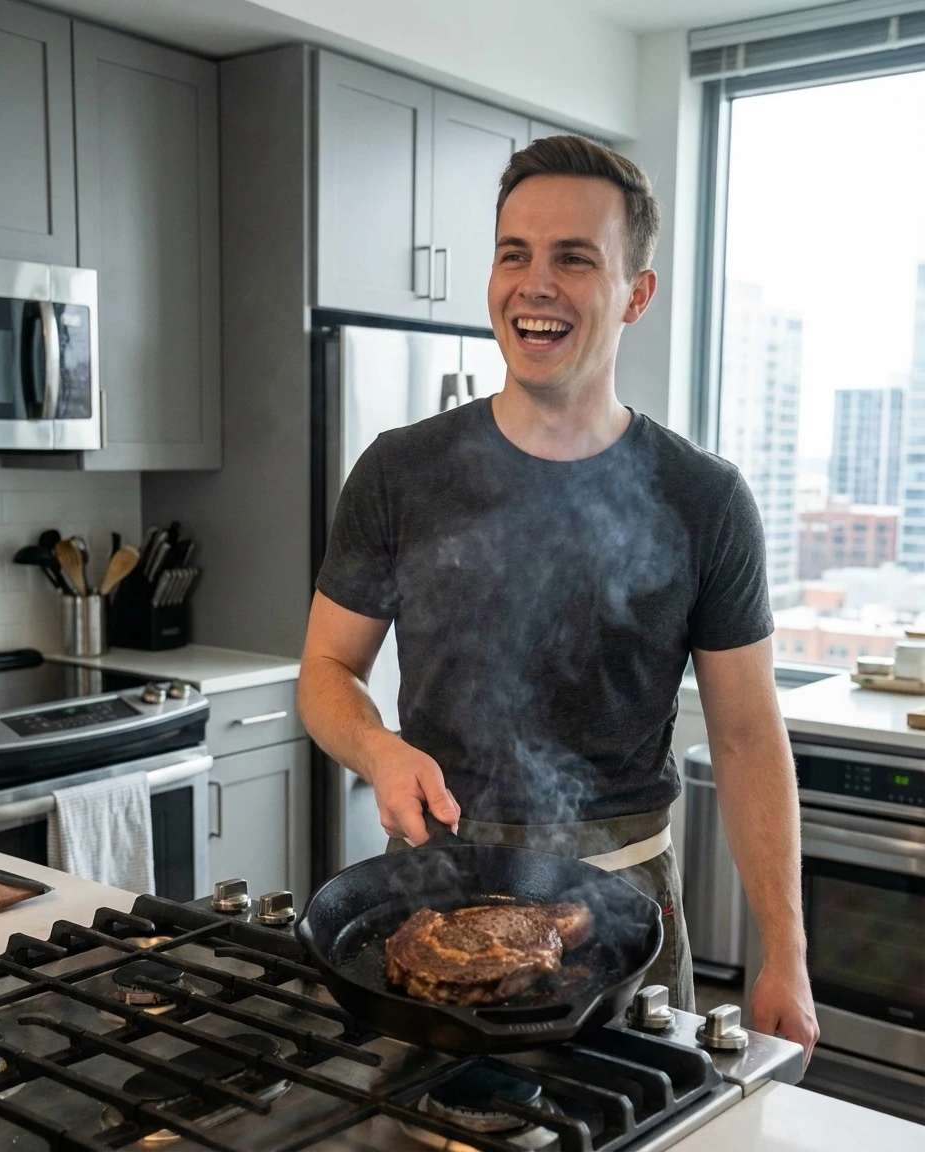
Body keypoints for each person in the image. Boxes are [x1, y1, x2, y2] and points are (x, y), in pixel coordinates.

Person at [298, 135, 819, 1064]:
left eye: (575, 259)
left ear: (636, 293)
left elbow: (745, 734)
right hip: (430, 902)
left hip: (621, 922)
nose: (535, 284)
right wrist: (379, 750)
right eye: (515, 254)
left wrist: (786, 950)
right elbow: (328, 671)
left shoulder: (705, 499)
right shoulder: (399, 471)